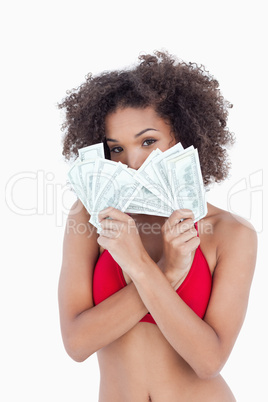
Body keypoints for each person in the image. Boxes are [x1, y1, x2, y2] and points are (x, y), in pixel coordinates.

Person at [57, 51, 257, 401]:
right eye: (116, 148)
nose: (132, 163)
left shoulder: (230, 233)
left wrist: (138, 264)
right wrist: (168, 271)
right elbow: (77, 343)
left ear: (185, 138)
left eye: (148, 141)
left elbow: (208, 360)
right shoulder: (91, 218)